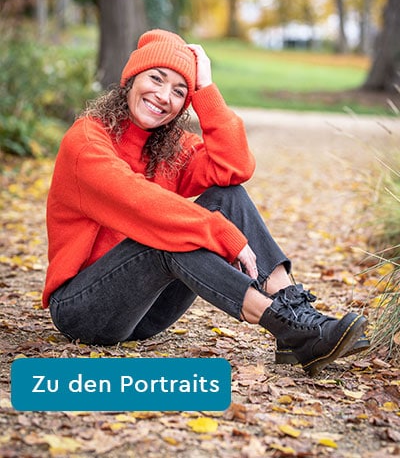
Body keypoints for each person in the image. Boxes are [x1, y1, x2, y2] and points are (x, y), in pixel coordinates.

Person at [43, 29, 369, 377]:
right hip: (84, 310)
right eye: (156, 78)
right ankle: (286, 327)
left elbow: (235, 167)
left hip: (148, 313)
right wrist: (219, 232)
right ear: (131, 78)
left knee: (227, 196)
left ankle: (294, 310)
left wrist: (207, 90)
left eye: (179, 91)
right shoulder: (86, 141)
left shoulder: (167, 147)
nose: (164, 96)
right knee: (167, 235)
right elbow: (139, 202)